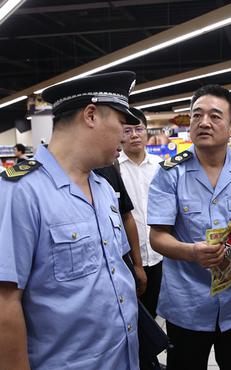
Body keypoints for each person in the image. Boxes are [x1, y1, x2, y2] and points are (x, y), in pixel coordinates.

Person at [0, 71, 141, 369]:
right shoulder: (20, 192)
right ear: (91, 115)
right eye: (121, 124)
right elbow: (5, 303)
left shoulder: (103, 188)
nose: (125, 135)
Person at [148, 84, 231, 370]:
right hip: (186, 306)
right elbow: (157, 238)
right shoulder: (170, 174)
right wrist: (192, 252)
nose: (204, 122)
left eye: (215, 116)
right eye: (197, 115)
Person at [119, 107, 164, 318]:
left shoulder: (161, 167)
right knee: (133, 316)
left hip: (162, 255)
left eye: (139, 129)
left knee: (158, 313)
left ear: (147, 132)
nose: (134, 135)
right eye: (127, 131)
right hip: (128, 258)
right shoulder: (112, 169)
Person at [94, 164, 148, 296]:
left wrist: (137, 265)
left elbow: (126, 217)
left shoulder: (108, 170)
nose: (120, 144)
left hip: (122, 271)